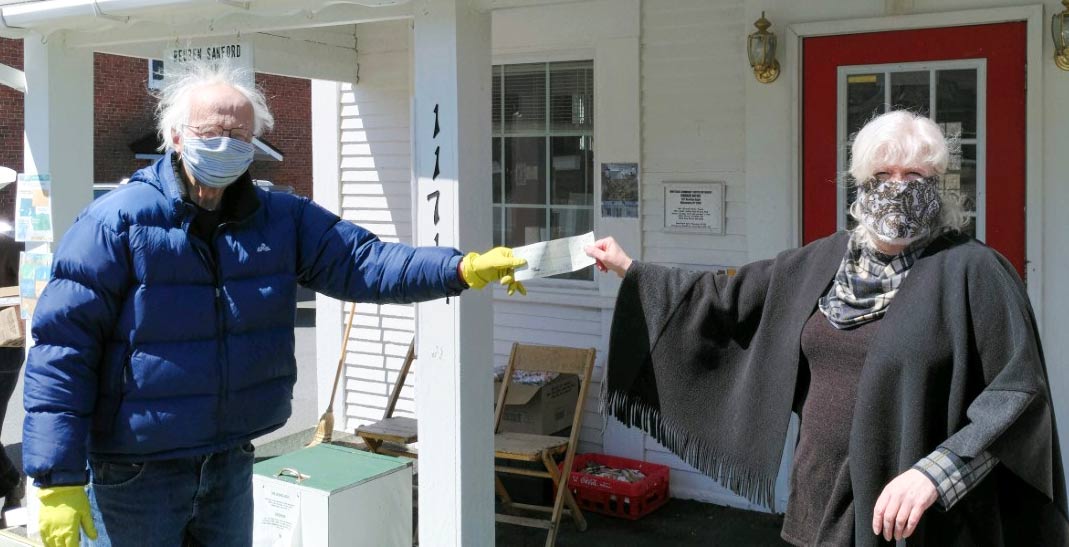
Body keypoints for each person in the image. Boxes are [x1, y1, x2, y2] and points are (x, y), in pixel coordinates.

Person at [22, 61, 526, 547]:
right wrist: (56, 477)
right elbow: (64, 348)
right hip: (134, 475)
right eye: (210, 132)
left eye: (240, 135)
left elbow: (364, 262)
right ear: (175, 137)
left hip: (230, 464)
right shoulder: (115, 222)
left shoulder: (279, 218)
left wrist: (458, 269)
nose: (225, 144)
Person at [586, 110, 1068, 546]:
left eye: (914, 175)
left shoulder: (974, 271)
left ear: (937, 184)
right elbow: (722, 299)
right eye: (883, 174)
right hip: (819, 505)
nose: (897, 187)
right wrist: (631, 269)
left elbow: (1019, 396)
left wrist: (936, 475)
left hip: (922, 522)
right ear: (860, 183)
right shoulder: (820, 261)